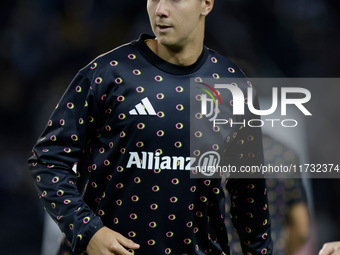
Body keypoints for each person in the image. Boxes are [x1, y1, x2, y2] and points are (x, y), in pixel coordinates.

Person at [28, 0, 273, 254]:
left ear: (206, 4)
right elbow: (47, 160)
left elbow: (249, 196)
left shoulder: (233, 85)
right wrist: (87, 230)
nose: (160, 10)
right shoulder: (107, 74)